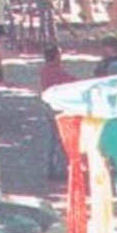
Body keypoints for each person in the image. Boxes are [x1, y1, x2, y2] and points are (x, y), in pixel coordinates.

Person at [39, 45, 74, 180]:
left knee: (54, 139)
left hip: (51, 108)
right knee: (59, 140)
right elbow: (70, 81)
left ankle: (53, 167)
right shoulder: (55, 72)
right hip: (58, 108)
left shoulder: (46, 71)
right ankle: (58, 168)